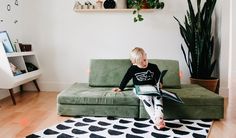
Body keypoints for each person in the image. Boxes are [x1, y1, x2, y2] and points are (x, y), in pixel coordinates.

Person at [112, 47, 165, 129]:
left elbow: (159, 77)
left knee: (158, 97)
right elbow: (126, 78)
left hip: (152, 88)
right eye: (140, 62)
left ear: (146, 56)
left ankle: (159, 117)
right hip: (139, 89)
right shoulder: (132, 69)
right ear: (134, 63)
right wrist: (120, 88)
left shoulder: (153, 67)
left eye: (145, 60)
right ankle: (156, 120)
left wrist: (160, 83)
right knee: (146, 98)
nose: (144, 63)